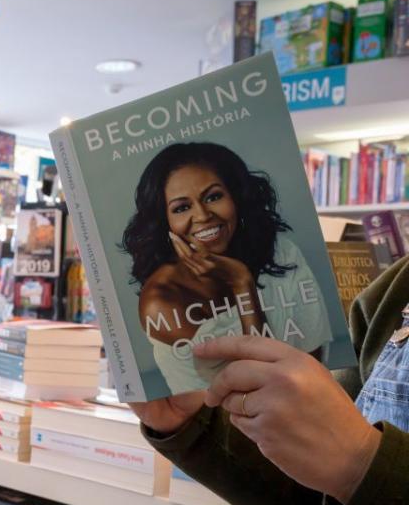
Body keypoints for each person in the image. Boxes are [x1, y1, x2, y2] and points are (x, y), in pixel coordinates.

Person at [131, 254, 409, 505]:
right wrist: (191, 424)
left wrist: (361, 462)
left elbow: (352, 469)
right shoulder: (397, 289)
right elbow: (320, 495)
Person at [121, 142, 331, 392]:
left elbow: (315, 359)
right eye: (182, 208)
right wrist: (242, 283)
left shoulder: (280, 250)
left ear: (236, 197)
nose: (202, 215)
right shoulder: (162, 300)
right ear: (164, 221)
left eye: (213, 197)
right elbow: (255, 388)